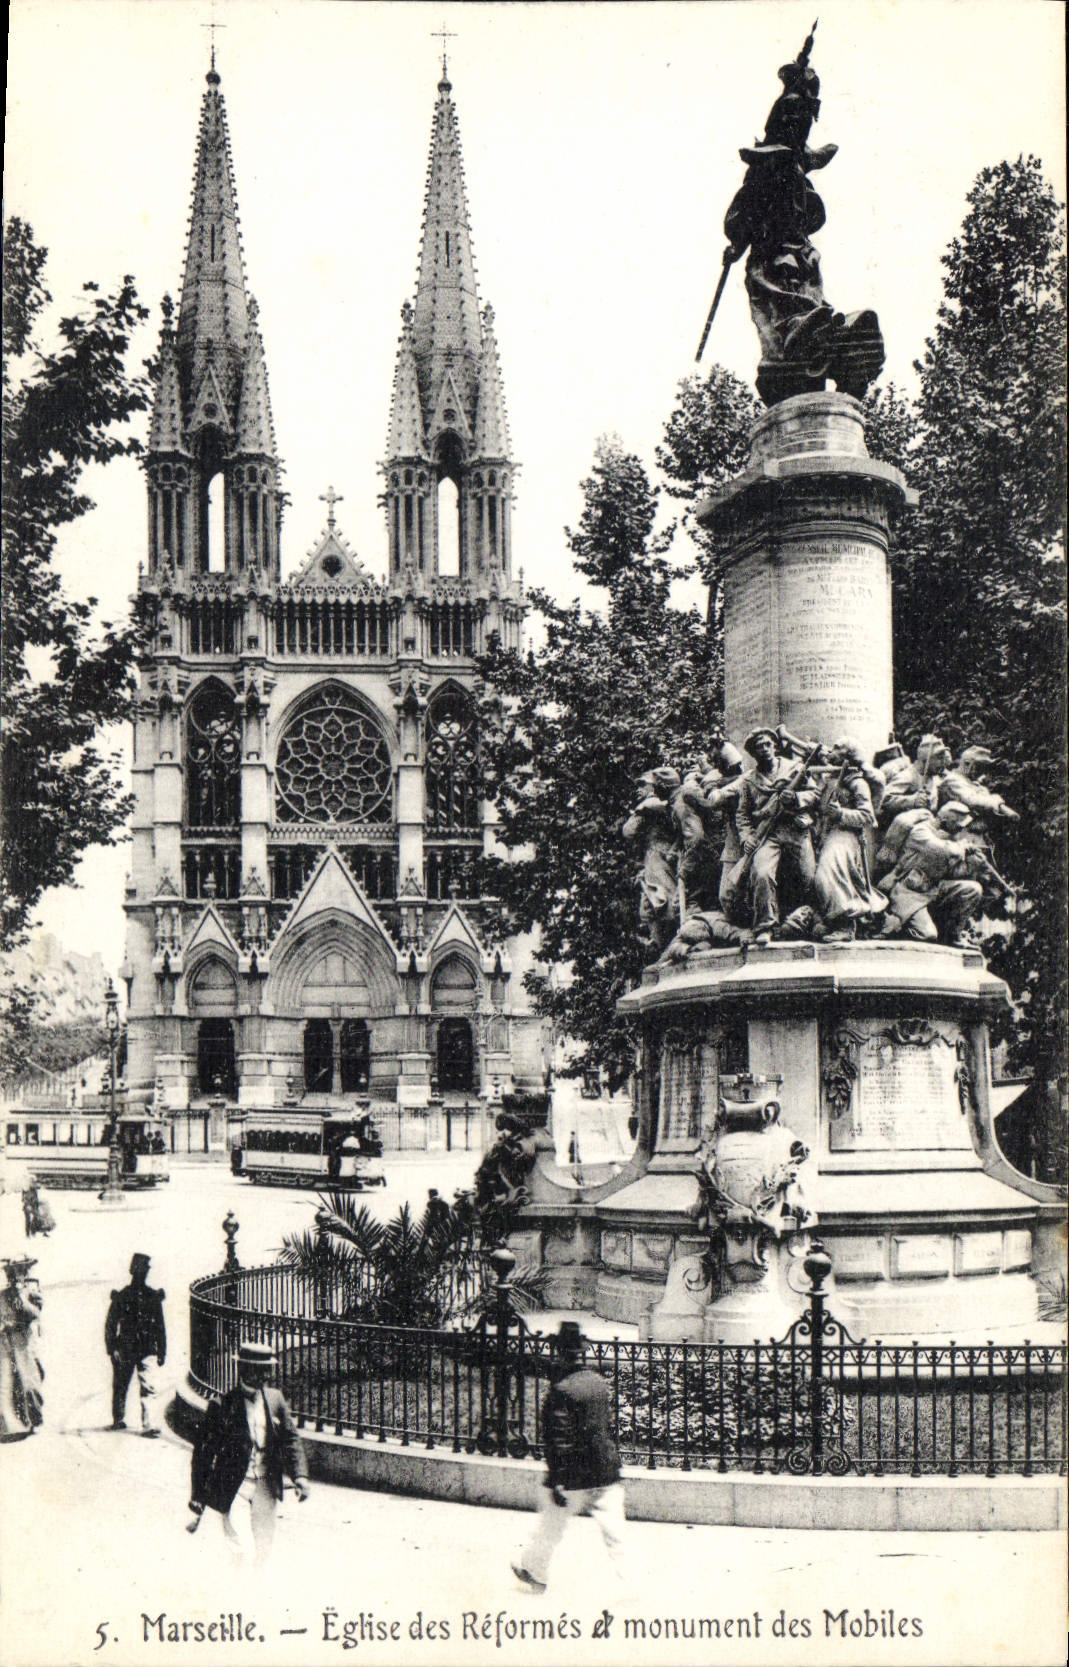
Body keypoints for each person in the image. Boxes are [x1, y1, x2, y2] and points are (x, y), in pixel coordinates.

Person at [512, 1321, 624, 1594]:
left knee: (551, 1524)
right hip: (606, 1469)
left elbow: (558, 1439)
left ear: (559, 1354)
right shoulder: (597, 1383)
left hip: (575, 1473)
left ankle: (535, 1571)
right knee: (615, 1534)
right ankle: (630, 1584)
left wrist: (558, 1480)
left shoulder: (561, 1390)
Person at [188, 1340, 309, 1568]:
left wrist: (300, 1476)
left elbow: (291, 1438)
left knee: (264, 1546)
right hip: (235, 1486)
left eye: (266, 1370)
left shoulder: (275, 1399)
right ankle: (238, 1593)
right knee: (241, 1546)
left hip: (266, 1484)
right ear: (243, 1369)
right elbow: (203, 1455)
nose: (263, 1376)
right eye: (257, 1369)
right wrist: (198, 1496)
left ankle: (256, 1592)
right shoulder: (222, 1405)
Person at [727, 728, 820, 942]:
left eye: (768, 744)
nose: (765, 749)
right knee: (761, 873)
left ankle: (814, 922)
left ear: (775, 746)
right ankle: (764, 926)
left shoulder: (794, 769)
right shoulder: (749, 780)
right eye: (759, 746)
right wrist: (747, 837)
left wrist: (795, 798)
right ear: (753, 752)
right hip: (767, 833)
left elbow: (815, 793)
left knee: (809, 878)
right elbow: (742, 814)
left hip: (796, 829)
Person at [877, 801, 985, 946]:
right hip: (909, 891)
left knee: (973, 889)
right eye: (958, 824)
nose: (960, 829)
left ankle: (953, 935)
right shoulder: (920, 832)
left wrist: (973, 863)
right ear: (946, 820)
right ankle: (894, 925)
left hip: (933, 889)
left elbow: (953, 871)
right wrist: (962, 847)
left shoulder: (945, 837)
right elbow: (944, 850)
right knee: (926, 935)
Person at [810, 739, 888, 939]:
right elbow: (815, 799)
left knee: (825, 873)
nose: (831, 750)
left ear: (847, 755)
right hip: (824, 833)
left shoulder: (857, 782)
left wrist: (841, 814)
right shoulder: (829, 779)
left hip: (846, 834)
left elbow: (868, 817)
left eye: (837, 748)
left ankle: (845, 925)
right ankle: (826, 920)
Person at [105, 1252, 166, 1436]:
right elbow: (111, 1324)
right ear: (133, 1271)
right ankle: (118, 1418)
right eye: (141, 1270)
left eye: (145, 1270)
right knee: (121, 1384)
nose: (143, 1273)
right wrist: (113, 1348)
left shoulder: (153, 1296)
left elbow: (160, 1326)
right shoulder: (122, 1296)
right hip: (125, 1348)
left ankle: (149, 1424)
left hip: (147, 1348)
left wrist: (161, 1351)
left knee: (149, 1387)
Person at [0, 1257, 44, 1439]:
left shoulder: (32, 1293)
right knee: (5, 1384)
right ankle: (5, 1425)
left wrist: (20, 1297)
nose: (13, 1277)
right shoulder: (2, 1295)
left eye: (17, 1272)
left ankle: (35, 1419)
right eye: (10, 1273)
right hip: (5, 1340)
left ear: (24, 1273)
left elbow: (34, 1314)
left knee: (29, 1384)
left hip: (24, 1342)